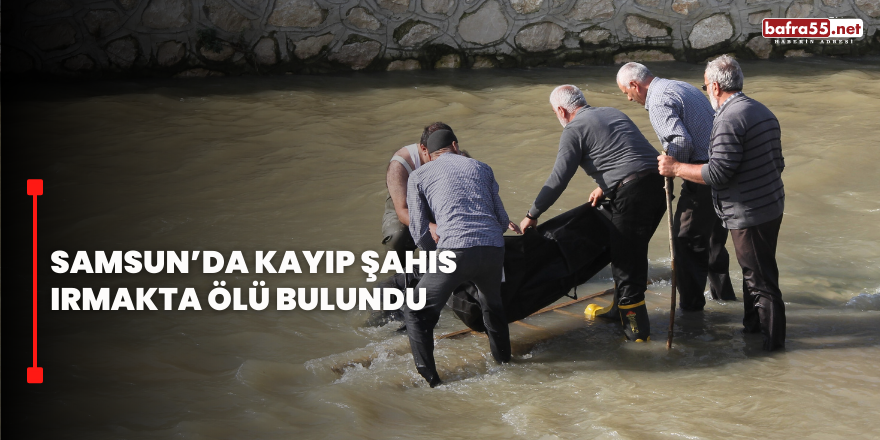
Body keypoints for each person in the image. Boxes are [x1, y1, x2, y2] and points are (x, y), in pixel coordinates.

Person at [519, 85, 666, 342]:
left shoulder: (573, 130)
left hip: (632, 195)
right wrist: (603, 186)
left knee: (625, 262)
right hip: (659, 186)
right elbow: (630, 154)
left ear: (562, 110)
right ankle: (617, 312)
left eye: (555, 112)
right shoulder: (612, 112)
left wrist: (533, 214)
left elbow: (558, 179)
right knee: (628, 250)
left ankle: (637, 333)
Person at [658, 55, 786, 351]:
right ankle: (753, 332)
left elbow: (717, 173)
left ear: (715, 87)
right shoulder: (760, 110)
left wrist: (676, 168)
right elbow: (777, 163)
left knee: (761, 283)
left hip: (749, 212)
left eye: (704, 87)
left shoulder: (728, 118)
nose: (706, 92)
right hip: (770, 205)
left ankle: (773, 351)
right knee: (758, 274)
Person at [405, 128, 521, 387]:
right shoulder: (482, 168)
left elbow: (418, 229)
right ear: (455, 145)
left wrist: (434, 256)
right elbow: (502, 220)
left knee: (415, 310)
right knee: (492, 305)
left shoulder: (419, 176)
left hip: (455, 250)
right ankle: (505, 364)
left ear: (431, 154)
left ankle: (431, 382)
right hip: (493, 249)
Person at [616, 62, 736, 311]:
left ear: (635, 86)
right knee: (713, 242)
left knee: (686, 241)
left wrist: (670, 175)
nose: (629, 99)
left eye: (626, 93)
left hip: (701, 175)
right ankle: (724, 299)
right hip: (722, 172)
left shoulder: (657, 101)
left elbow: (680, 140)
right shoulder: (679, 86)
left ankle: (691, 310)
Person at [382, 122, 451, 260]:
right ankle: (402, 271)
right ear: (424, 149)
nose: (444, 157)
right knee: (397, 236)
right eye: (437, 153)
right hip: (406, 204)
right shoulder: (400, 164)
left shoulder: (454, 154)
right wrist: (429, 226)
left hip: (438, 197)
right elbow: (402, 211)